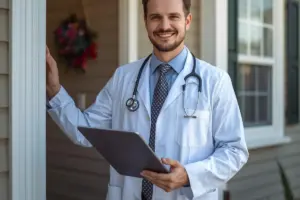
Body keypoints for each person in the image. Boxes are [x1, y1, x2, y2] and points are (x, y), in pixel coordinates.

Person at [46, 0, 249, 199]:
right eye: (155, 17)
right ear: (145, 21)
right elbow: (85, 131)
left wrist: (188, 175)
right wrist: (55, 91)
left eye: (173, 17)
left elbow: (234, 151)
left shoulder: (215, 81)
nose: (164, 26)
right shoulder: (123, 78)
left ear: (187, 21)